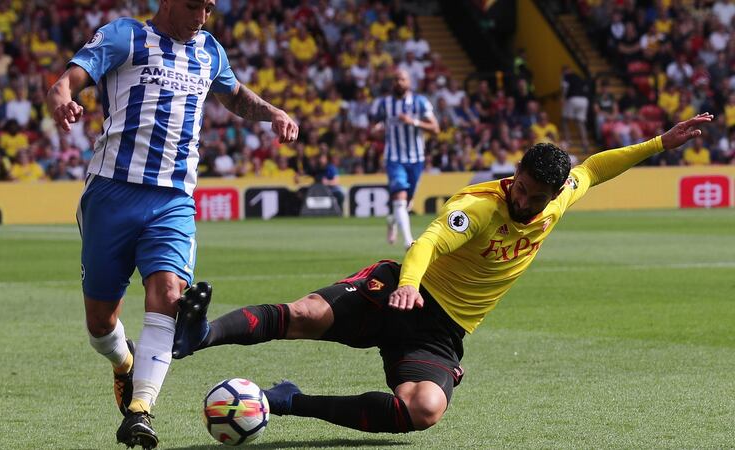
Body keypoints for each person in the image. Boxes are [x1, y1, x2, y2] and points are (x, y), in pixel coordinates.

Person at [171, 114, 712, 434]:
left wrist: (662, 143)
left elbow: (595, 167)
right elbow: (428, 241)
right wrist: (407, 284)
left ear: (551, 194)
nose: (520, 199)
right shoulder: (478, 206)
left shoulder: (560, 194)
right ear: (515, 173)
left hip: (441, 330)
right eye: (518, 186)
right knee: (305, 314)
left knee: (424, 410)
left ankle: (288, 400)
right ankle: (200, 335)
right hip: (403, 290)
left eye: (531, 196)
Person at [46, 1, 298, 448]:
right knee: (101, 324)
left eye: (208, 7)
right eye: (193, 5)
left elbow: (234, 95)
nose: (202, 16)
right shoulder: (124, 36)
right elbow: (66, 82)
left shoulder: (210, 50)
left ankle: (140, 411)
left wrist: (273, 112)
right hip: (111, 194)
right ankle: (123, 363)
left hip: (174, 200)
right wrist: (63, 100)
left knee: (167, 295)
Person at [370, 69, 440, 248]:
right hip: (394, 157)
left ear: (409, 82)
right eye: (395, 79)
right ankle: (408, 241)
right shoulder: (385, 104)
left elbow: (435, 128)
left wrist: (413, 122)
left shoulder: (420, 102)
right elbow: (376, 127)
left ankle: (392, 219)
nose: (398, 82)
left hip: (416, 158)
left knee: (406, 203)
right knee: (400, 199)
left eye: (402, 79)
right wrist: (376, 130)